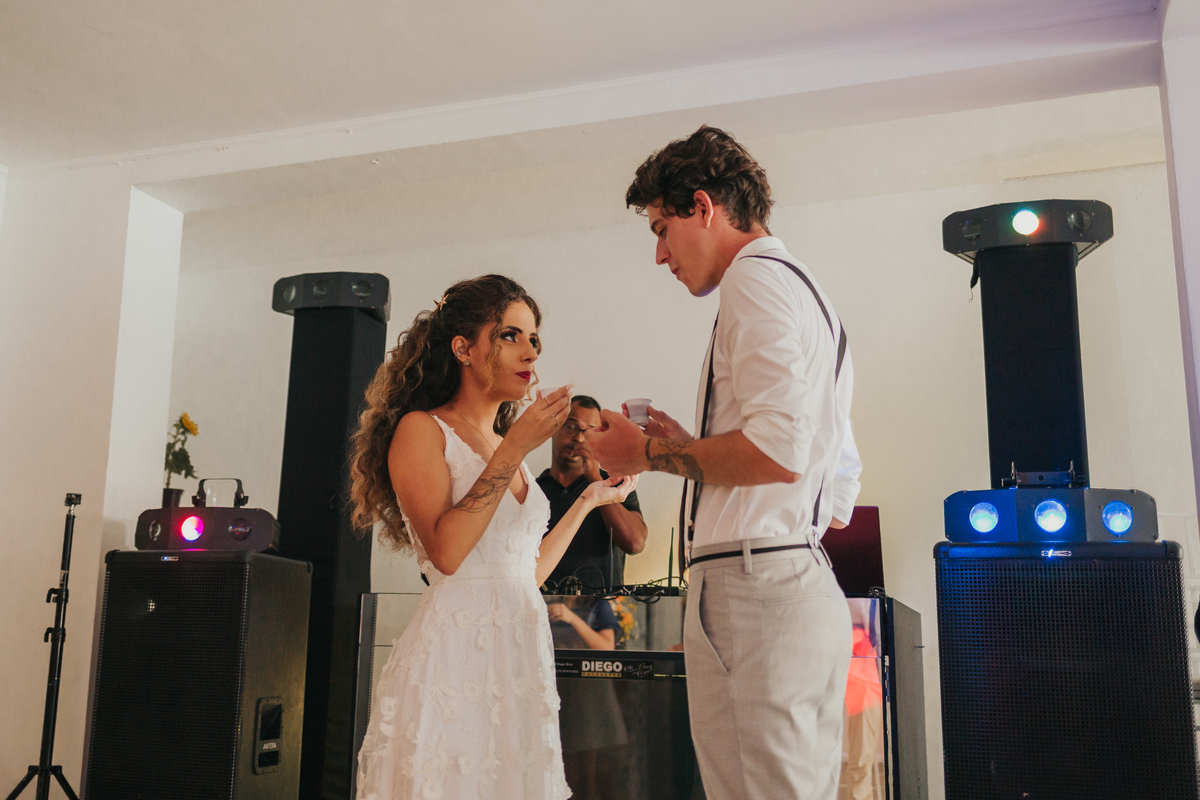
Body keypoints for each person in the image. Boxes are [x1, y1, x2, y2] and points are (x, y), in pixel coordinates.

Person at [587, 126, 862, 800]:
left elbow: (777, 453)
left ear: (703, 207)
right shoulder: (806, 293)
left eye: (661, 228)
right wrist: (692, 448)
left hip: (755, 587)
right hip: (789, 577)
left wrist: (646, 453)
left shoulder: (755, 282)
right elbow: (837, 478)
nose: (659, 255)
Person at [348, 274, 637, 800]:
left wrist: (591, 501)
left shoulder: (508, 443)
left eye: (534, 339)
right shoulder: (423, 430)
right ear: (463, 348)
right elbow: (448, 553)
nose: (529, 349)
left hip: (519, 654)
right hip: (456, 656)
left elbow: (523, 572)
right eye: (510, 335)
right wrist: (516, 448)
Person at [537, 395, 647, 591]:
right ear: (555, 428)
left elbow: (635, 543)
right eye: (571, 427)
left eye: (590, 431)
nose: (580, 438)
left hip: (601, 612)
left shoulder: (615, 483)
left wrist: (594, 476)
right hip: (544, 607)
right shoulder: (534, 489)